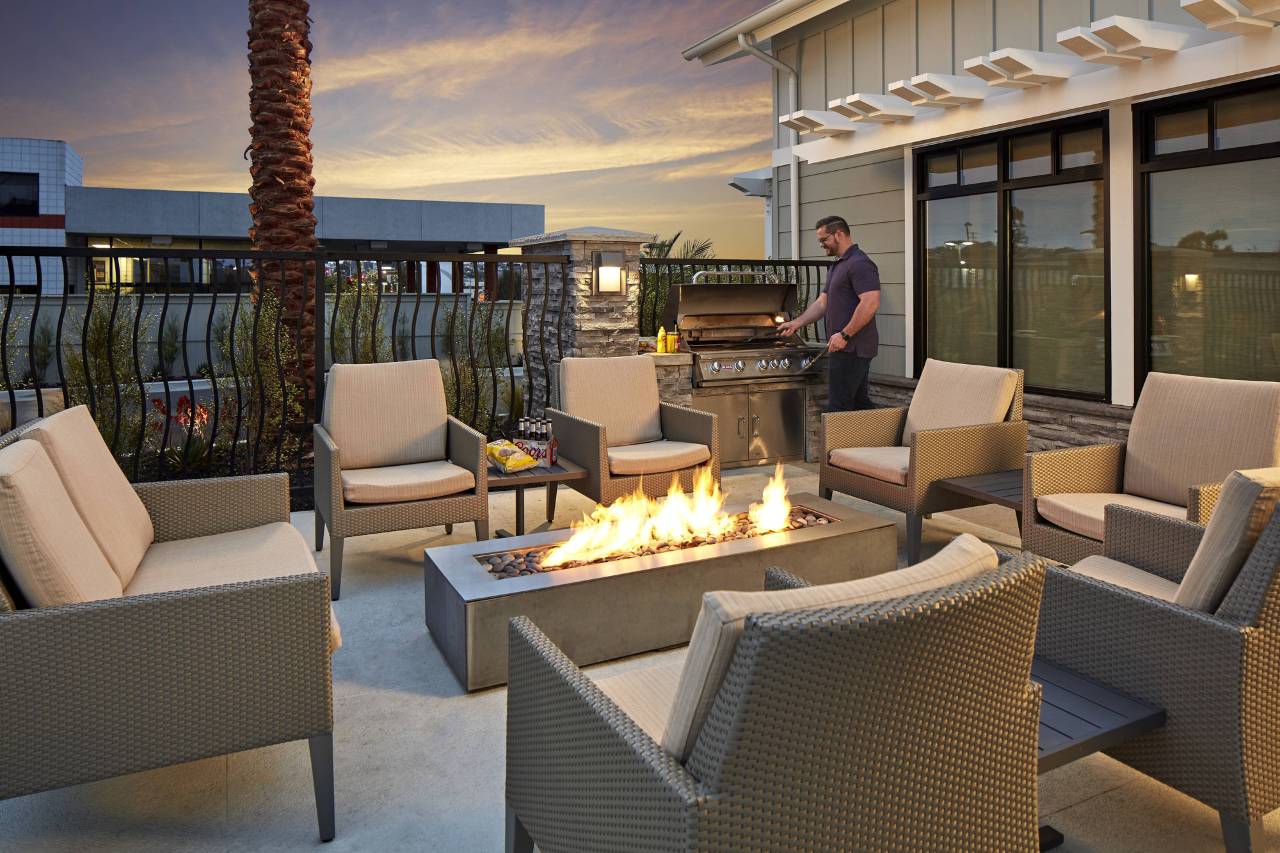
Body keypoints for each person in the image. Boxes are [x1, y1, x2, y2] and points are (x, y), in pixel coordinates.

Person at [778, 215, 880, 411]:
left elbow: (870, 303)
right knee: (859, 405)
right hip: (842, 347)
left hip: (852, 348)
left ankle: (849, 434)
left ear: (839, 234)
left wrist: (845, 335)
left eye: (824, 239)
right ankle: (879, 430)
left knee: (839, 408)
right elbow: (822, 303)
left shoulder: (860, 263)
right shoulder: (838, 265)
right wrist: (796, 323)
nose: (821, 244)